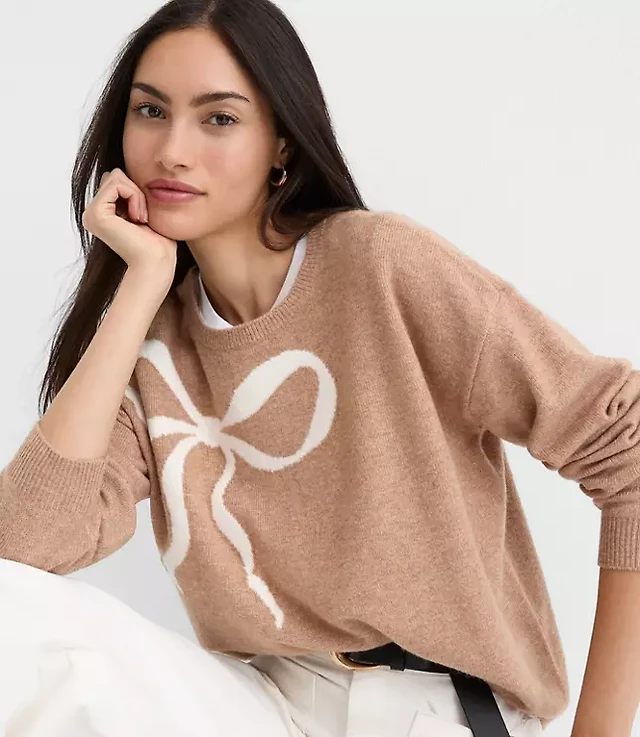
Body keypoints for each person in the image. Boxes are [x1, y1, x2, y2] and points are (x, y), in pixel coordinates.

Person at [0, 1, 638, 736]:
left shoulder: (378, 266)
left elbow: (627, 446)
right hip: (258, 704)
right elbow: (21, 554)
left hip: (429, 707)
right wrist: (141, 284)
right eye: (151, 111)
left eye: (218, 118)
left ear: (281, 146)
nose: (172, 150)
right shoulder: (151, 347)